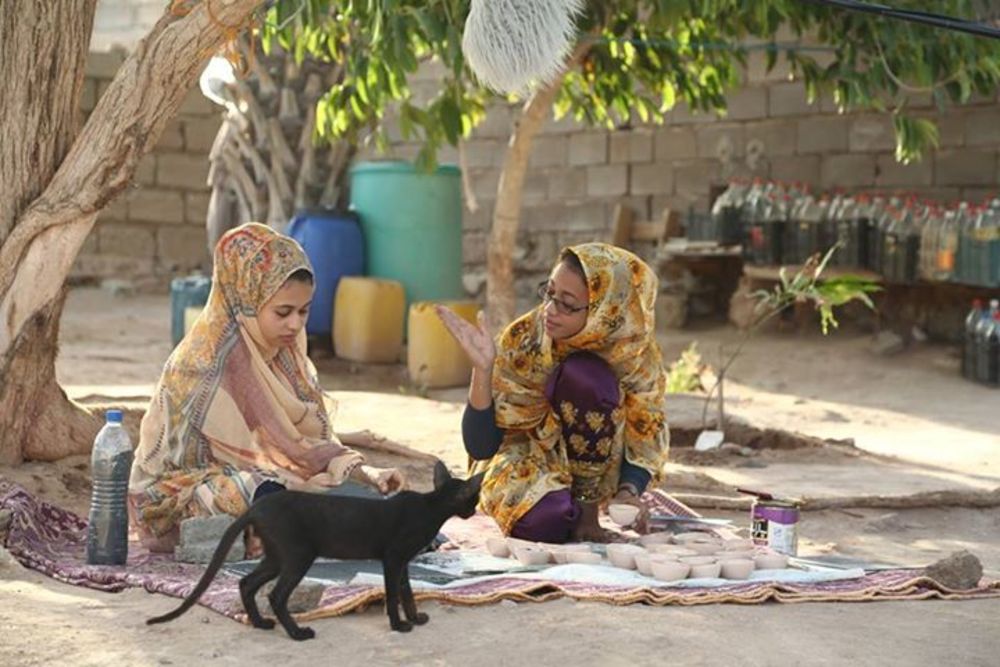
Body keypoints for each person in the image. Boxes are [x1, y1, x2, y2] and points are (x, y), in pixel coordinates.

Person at [129, 223, 404, 552]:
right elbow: (185, 474)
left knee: (373, 504)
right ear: (245, 302)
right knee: (264, 493)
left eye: (304, 311)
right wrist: (288, 484)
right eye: (283, 312)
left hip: (272, 482)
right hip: (179, 496)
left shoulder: (286, 354)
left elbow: (311, 444)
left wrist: (367, 474)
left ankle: (284, 527)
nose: (296, 324)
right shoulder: (200, 364)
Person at [436, 243, 668, 543]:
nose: (550, 310)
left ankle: (587, 511)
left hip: (603, 470)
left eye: (568, 304)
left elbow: (645, 433)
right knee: (547, 521)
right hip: (526, 455)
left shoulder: (635, 355)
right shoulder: (525, 339)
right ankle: (565, 508)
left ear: (606, 311)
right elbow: (481, 447)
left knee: (587, 376)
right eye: (550, 292)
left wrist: (628, 492)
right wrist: (482, 370)